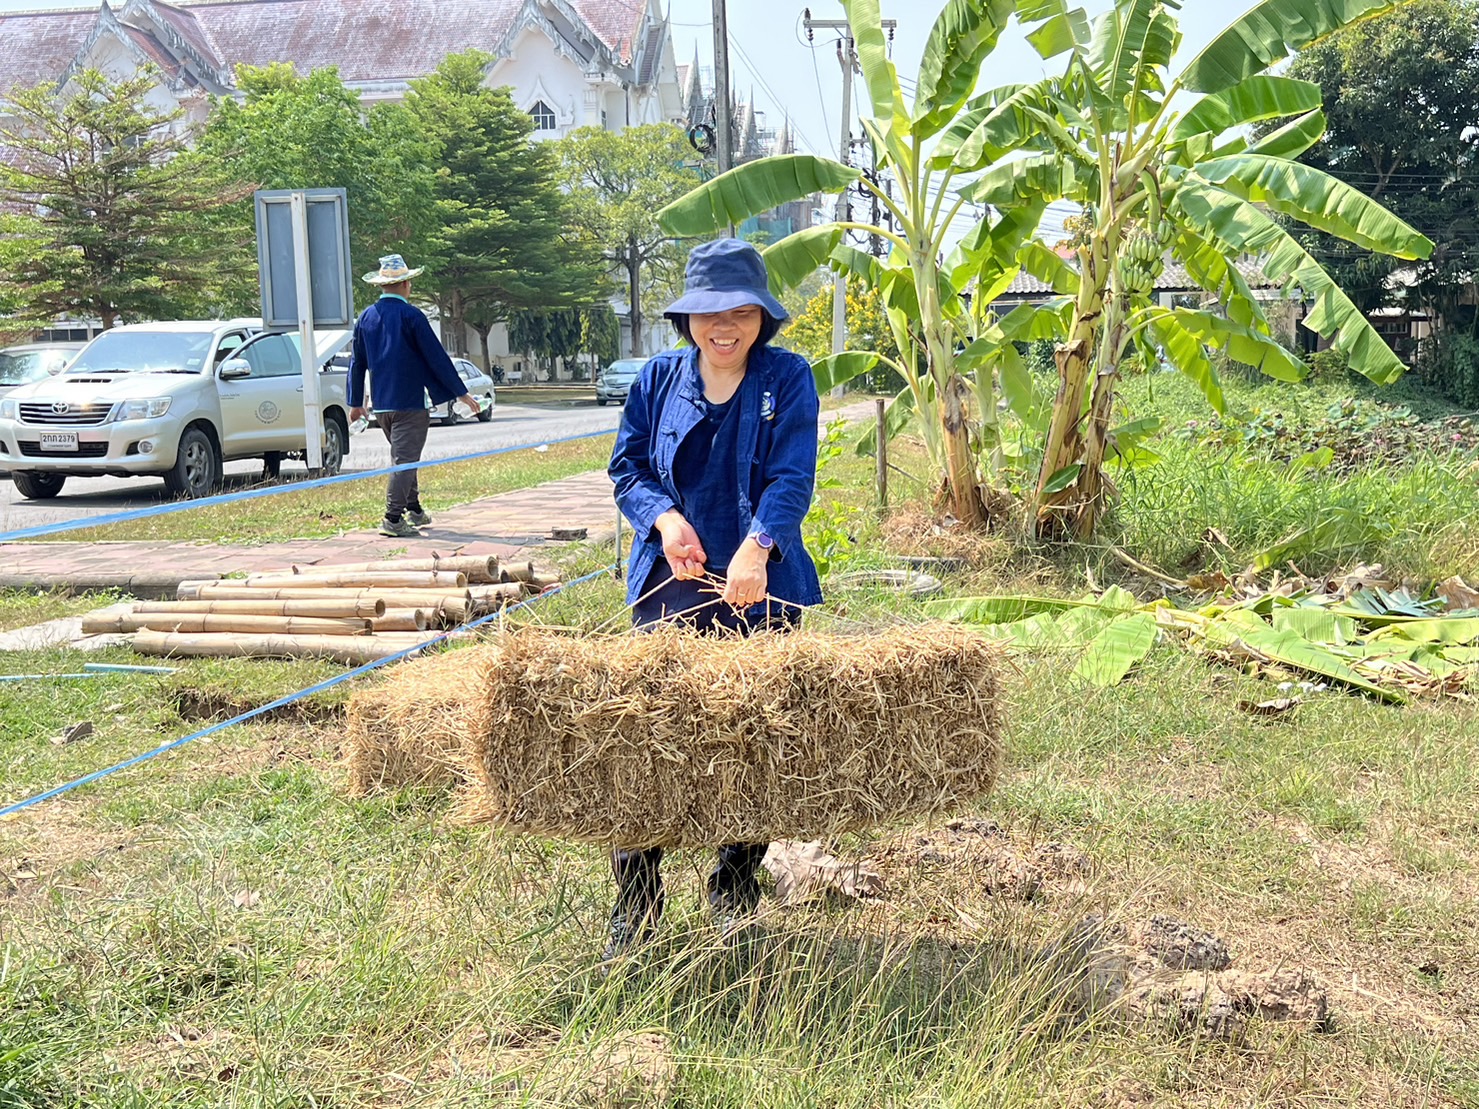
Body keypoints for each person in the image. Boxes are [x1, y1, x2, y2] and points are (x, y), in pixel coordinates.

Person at [605, 237, 823, 961]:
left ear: (761, 315)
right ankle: (635, 897)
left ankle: (733, 882)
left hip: (759, 586)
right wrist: (664, 521)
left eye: (738, 310)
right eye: (706, 313)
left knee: (753, 737)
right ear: (686, 319)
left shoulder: (787, 378)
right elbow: (628, 466)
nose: (721, 326)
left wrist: (757, 546)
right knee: (648, 735)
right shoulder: (656, 378)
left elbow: (791, 476)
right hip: (671, 583)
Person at [348, 254, 479, 538]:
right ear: (406, 284)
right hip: (411, 403)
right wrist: (462, 394)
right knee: (404, 461)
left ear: (382, 285)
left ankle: (415, 509)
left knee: (405, 456)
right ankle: (392, 518)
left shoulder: (366, 318)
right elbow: (437, 359)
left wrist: (356, 403)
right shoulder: (412, 316)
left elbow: (357, 363)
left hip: (382, 406)